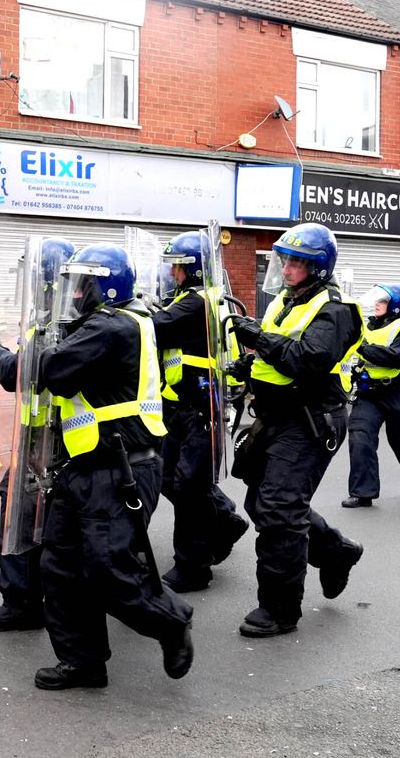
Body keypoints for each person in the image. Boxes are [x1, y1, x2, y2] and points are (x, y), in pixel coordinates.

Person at [31, 243, 194, 689]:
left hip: (118, 469)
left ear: (104, 287)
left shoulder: (112, 327)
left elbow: (51, 372)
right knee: (61, 566)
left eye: (83, 285)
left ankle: (170, 620)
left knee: (107, 569)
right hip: (84, 466)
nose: (76, 294)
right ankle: (82, 661)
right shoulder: (106, 324)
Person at [228, 223, 365, 638]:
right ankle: (336, 552)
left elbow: (308, 360)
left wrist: (258, 339)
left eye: (297, 263)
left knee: (280, 511)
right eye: (284, 260)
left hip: (310, 419)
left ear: (318, 269)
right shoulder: (285, 302)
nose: (286, 269)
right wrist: (248, 369)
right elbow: (277, 357)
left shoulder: (335, 311)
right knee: (260, 504)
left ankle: (280, 608)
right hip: (276, 415)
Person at [0, 237, 75, 632]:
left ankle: (22, 602)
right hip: (62, 438)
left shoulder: (58, 325)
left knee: (20, 515)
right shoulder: (65, 318)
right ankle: (58, 599)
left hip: (49, 441)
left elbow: (20, 372)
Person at [150, 231, 251, 592]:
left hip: (200, 408)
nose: (171, 274)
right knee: (169, 479)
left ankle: (193, 567)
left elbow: (154, 328)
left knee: (190, 488)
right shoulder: (189, 299)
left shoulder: (197, 302)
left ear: (192, 270)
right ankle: (224, 519)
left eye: (177, 267)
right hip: (179, 405)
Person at [343, 283, 400, 507]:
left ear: (394, 306)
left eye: (382, 302)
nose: (377, 305)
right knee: (360, 438)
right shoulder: (367, 328)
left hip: (399, 392)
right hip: (369, 393)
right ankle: (363, 493)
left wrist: (362, 348)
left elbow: (395, 357)